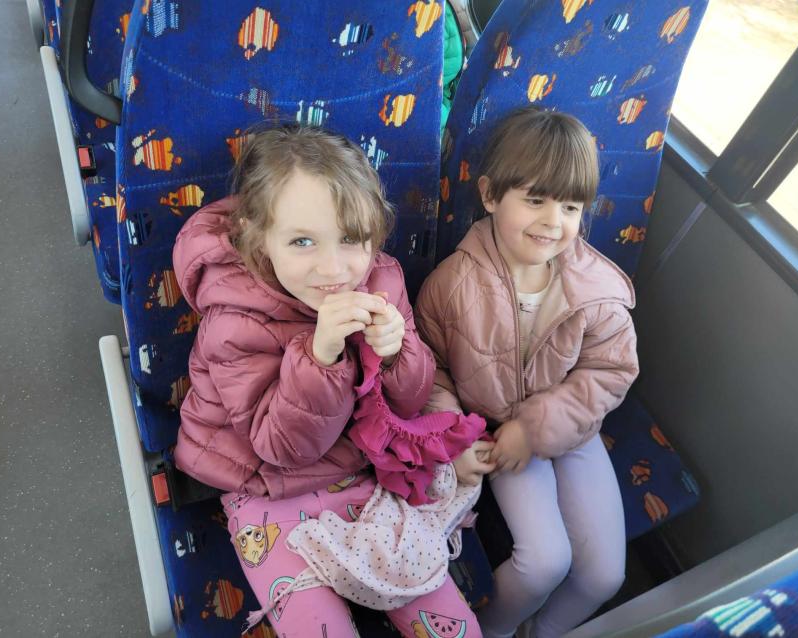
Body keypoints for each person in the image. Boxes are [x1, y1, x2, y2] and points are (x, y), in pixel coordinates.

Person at [172, 124, 490, 637]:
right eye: (302, 241)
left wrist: (397, 354)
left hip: (363, 472)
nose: (333, 268)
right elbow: (282, 448)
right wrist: (321, 359)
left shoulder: (381, 279)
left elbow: (407, 407)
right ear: (258, 236)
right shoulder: (233, 323)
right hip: (264, 486)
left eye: (350, 239)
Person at [416, 107, 639, 638]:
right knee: (544, 563)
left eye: (570, 206)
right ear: (491, 195)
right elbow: (430, 370)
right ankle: (492, 629)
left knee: (605, 576)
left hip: (570, 429)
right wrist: (455, 439)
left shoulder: (596, 290)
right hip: (495, 432)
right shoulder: (451, 284)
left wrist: (536, 427)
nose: (553, 222)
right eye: (535, 200)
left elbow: (610, 369)